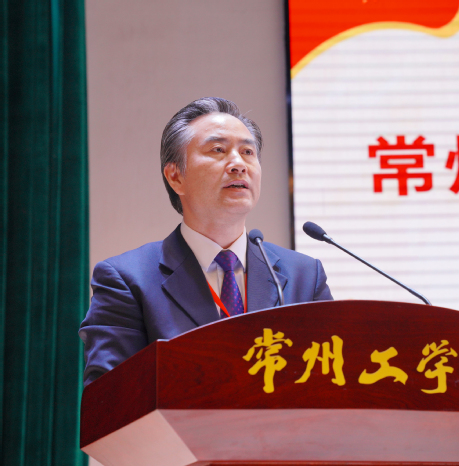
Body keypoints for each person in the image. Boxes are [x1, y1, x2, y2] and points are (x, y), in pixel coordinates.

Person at [79, 97, 332, 386]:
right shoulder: (127, 280)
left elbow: (333, 380)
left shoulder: (304, 276)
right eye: (218, 150)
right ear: (175, 176)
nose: (238, 164)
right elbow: (111, 397)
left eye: (248, 152)